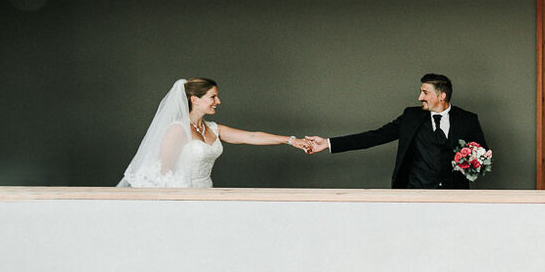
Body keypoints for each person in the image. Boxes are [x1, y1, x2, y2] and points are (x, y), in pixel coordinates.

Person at [305, 73, 489, 189]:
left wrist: (476, 161)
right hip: (415, 194)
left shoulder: (467, 119)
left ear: (442, 96)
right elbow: (375, 136)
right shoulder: (411, 117)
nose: (420, 97)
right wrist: (328, 143)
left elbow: (482, 153)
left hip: (454, 196)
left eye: (425, 93)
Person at [118, 78, 312, 188]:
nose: (218, 102)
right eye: (213, 97)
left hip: (208, 192)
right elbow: (162, 172)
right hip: (183, 196)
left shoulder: (213, 128)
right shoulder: (177, 130)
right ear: (195, 100)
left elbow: (251, 136)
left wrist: (291, 140)